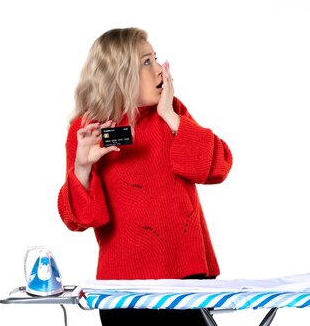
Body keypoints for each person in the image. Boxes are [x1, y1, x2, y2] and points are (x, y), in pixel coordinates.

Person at [57, 27, 233, 326]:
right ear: (119, 72)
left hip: (186, 280)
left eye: (156, 58)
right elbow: (79, 220)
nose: (161, 71)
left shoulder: (172, 114)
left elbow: (218, 168)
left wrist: (172, 117)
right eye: (147, 62)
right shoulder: (87, 129)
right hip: (123, 290)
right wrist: (82, 168)